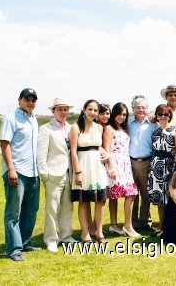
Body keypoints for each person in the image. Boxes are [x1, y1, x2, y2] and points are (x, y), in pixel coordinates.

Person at [0, 88, 41, 261]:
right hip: (16, 172)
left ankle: (25, 242)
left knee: (30, 210)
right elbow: (5, 144)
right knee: (14, 213)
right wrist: (11, 169)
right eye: (27, 99)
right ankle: (14, 249)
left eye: (33, 100)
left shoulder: (34, 120)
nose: (30, 102)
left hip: (33, 172)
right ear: (19, 100)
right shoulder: (11, 119)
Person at [37, 98, 77, 253]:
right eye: (59, 109)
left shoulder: (71, 128)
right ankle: (51, 239)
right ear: (53, 111)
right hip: (53, 175)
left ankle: (66, 236)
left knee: (67, 208)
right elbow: (41, 155)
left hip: (70, 174)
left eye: (65, 109)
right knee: (52, 208)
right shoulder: (46, 129)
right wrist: (45, 175)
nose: (63, 112)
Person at [69, 99, 110, 244]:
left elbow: (98, 147)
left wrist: (108, 155)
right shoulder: (76, 128)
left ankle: (99, 232)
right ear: (84, 110)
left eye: (95, 110)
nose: (93, 112)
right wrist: (77, 172)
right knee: (84, 202)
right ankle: (85, 234)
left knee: (100, 201)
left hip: (98, 168)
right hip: (83, 166)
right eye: (90, 109)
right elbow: (73, 152)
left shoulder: (99, 128)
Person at [103, 102, 140, 238]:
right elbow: (106, 149)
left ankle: (127, 225)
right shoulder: (109, 128)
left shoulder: (124, 129)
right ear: (114, 113)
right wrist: (111, 167)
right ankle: (115, 225)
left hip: (126, 164)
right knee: (118, 195)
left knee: (130, 193)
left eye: (124, 114)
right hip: (114, 163)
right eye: (119, 114)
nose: (122, 117)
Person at [147, 104, 176, 234]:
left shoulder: (175, 129)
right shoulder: (154, 131)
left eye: (166, 114)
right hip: (156, 165)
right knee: (160, 198)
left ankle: (169, 224)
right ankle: (161, 223)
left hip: (169, 165)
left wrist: (174, 166)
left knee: (170, 196)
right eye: (160, 114)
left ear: (170, 116)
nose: (163, 117)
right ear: (157, 116)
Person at [129, 95, 157, 232]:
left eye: (143, 107)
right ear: (133, 109)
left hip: (147, 162)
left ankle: (145, 221)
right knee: (132, 194)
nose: (140, 109)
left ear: (147, 109)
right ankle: (133, 223)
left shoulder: (153, 124)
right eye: (137, 107)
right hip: (130, 162)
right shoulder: (128, 123)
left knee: (146, 194)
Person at [87, 103, 111, 236]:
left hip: (103, 164)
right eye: (102, 113)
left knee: (101, 197)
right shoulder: (91, 126)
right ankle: (90, 227)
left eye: (107, 113)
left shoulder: (105, 127)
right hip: (90, 163)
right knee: (88, 196)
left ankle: (98, 227)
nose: (105, 116)